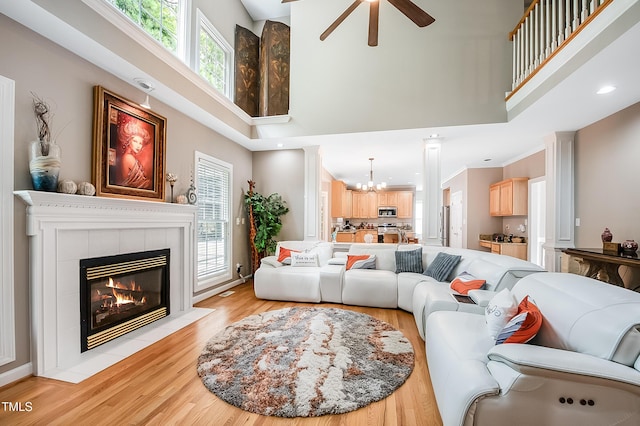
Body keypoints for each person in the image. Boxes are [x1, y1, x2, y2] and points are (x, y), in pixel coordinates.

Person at [117, 117, 152, 189]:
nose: (138, 146)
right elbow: (139, 182)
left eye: (140, 143)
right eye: (135, 141)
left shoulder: (130, 157)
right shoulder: (128, 157)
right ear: (129, 141)